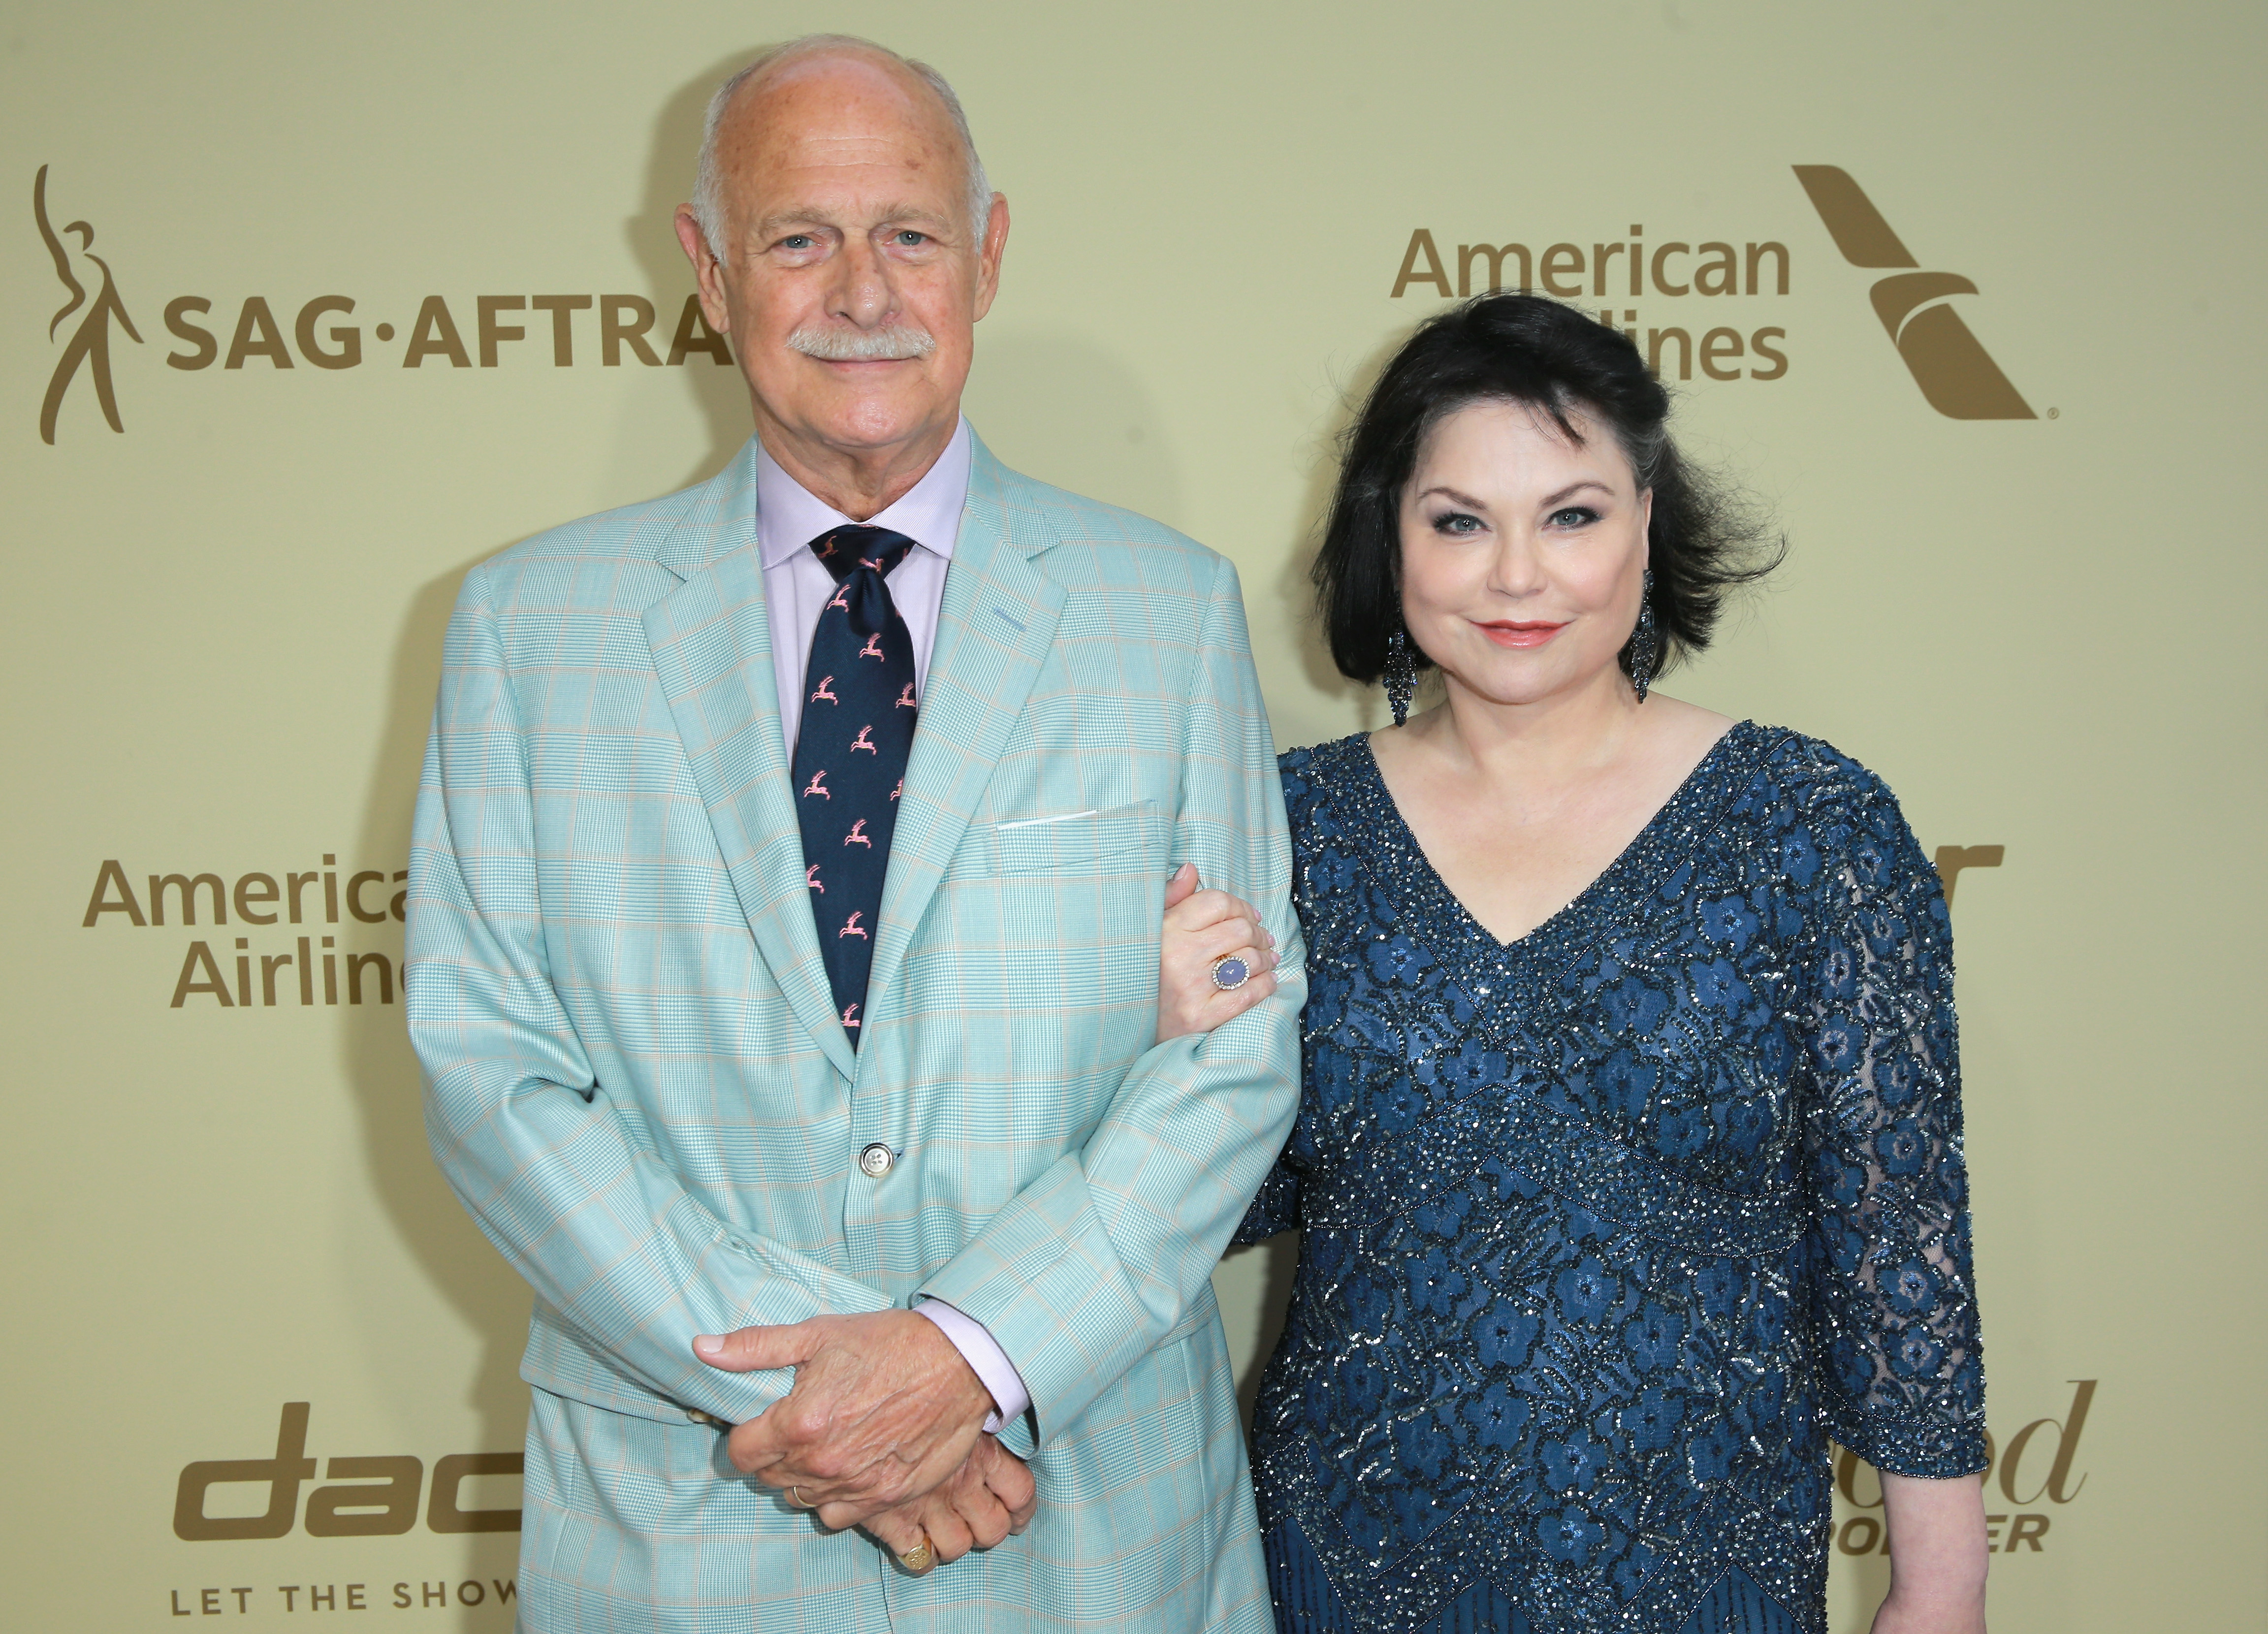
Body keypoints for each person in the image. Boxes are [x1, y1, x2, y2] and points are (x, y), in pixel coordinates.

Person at [406, 35, 1301, 1632]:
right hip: (694, 1519)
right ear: (706, 269)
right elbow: (493, 1072)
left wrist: (972, 1349)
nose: (863, 293)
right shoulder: (528, 629)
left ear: (990, 254)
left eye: (911, 235)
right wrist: (838, 1393)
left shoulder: (1163, 612)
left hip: (1086, 1534)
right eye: (798, 238)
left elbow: (1231, 1057)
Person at [1160, 293, 1989, 1634]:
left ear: (1649, 521)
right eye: (1459, 522)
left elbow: (1899, 1245)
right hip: (1351, 1558)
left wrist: (1941, 1586)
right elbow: (1227, 1208)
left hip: (1704, 1563)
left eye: (1572, 514)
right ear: (1390, 533)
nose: (1517, 577)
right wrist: (1167, 1041)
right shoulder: (1282, 828)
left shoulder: (1810, 828)